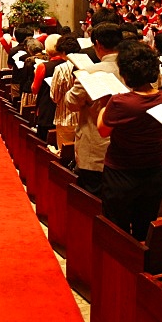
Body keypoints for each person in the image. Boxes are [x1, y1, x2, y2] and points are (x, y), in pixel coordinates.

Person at [96, 42, 162, 241]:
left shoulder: (120, 102)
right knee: (145, 228)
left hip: (121, 172)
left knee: (117, 231)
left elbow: (103, 131)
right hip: (154, 169)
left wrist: (104, 106)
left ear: (125, 72)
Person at [64, 23, 123, 196]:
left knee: (92, 200)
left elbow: (71, 103)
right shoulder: (135, 68)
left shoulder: (90, 72)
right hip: (127, 145)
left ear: (97, 44)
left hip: (96, 145)